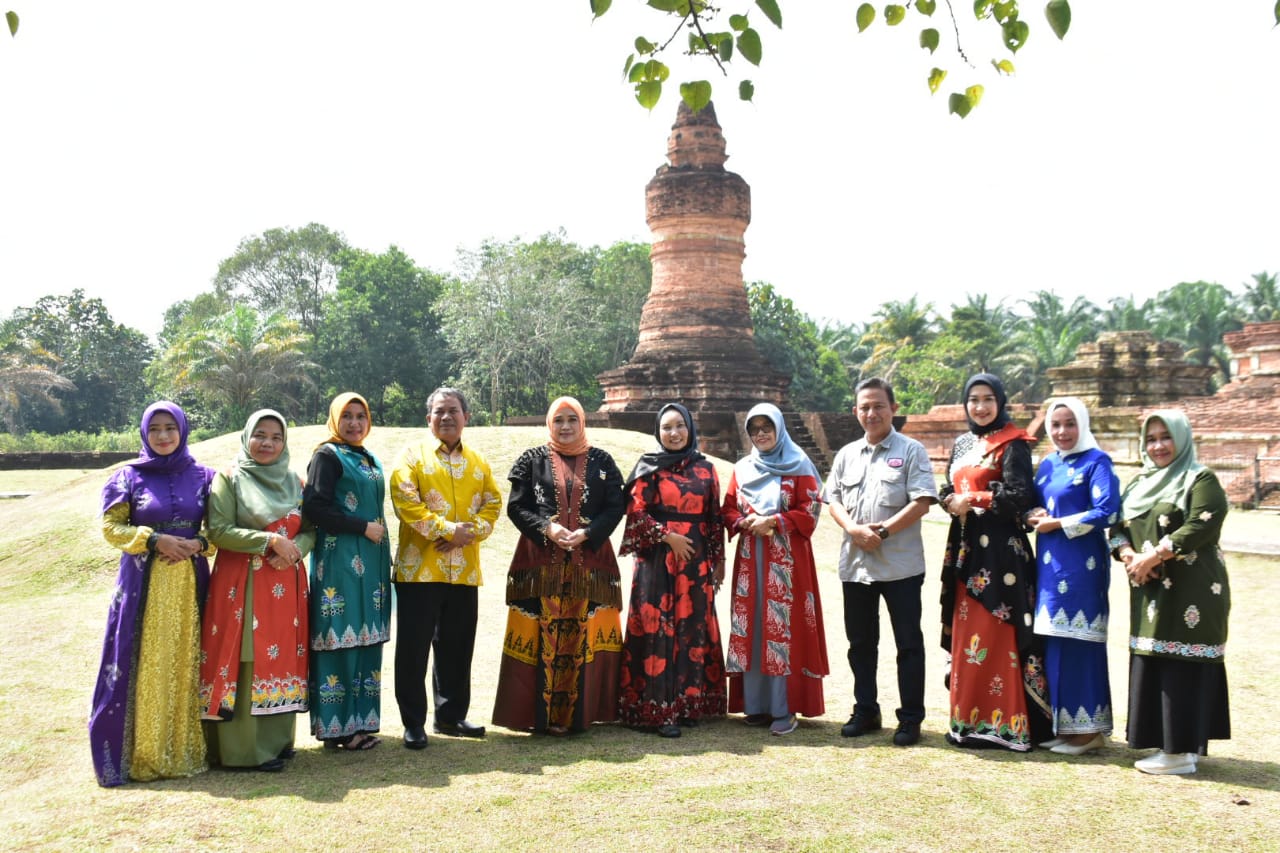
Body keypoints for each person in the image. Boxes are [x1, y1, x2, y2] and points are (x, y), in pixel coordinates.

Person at [89, 401, 216, 786]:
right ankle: (141, 753)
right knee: (145, 663)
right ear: (144, 432)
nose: (163, 436)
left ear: (182, 431)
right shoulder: (127, 477)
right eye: (155, 429)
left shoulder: (205, 476)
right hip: (143, 586)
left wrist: (199, 544)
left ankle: (187, 749)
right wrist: (156, 539)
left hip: (191, 585)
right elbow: (111, 529)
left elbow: (218, 530)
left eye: (170, 428)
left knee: (188, 659)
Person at [492, 396, 625, 735]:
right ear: (550, 424)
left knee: (586, 634)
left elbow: (615, 507)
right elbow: (517, 507)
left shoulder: (602, 461)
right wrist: (547, 528)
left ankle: (580, 717)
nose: (566, 427)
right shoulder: (532, 460)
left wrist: (588, 532)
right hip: (541, 564)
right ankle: (537, 717)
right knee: (538, 634)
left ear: (582, 423)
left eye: (572, 420)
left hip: (589, 564)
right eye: (559, 420)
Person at [1113, 410, 1231, 775]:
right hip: (1149, 590)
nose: (1158, 445)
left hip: (1192, 590)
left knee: (1183, 662)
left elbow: (1202, 522)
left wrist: (1154, 555)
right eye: (1151, 439)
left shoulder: (1200, 478)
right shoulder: (1138, 484)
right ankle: (1169, 746)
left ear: (1181, 438)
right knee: (1157, 658)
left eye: (1166, 437)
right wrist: (1129, 554)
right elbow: (1117, 528)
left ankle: (1180, 753)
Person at [939, 373, 1051, 751]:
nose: (981, 406)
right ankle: (967, 721)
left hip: (1001, 554)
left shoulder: (1014, 444)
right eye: (973, 399)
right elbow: (947, 488)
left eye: (988, 399)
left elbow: (1021, 495)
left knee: (996, 632)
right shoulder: (962, 443)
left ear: (1000, 402)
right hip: (966, 549)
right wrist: (951, 502)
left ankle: (1007, 726)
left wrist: (975, 501)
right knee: (967, 634)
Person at [825, 378, 937, 747]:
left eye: (878, 406)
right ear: (855, 411)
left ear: (892, 408)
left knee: (908, 644)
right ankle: (866, 710)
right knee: (860, 644)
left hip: (900, 566)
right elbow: (833, 501)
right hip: (856, 566)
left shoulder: (911, 451)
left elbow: (922, 501)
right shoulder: (846, 454)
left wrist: (882, 532)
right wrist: (855, 530)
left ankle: (910, 719)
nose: (871, 413)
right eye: (864, 407)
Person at [200, 409, 314, 772]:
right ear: (247, 437)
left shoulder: (296, 482)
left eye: (276, 437)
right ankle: (243, 751)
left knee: (281, 656)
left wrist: (296, 550)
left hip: (287, 582)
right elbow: (218, 530)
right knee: (248, 655)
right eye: (260, 435)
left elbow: (311, 528)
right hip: (243, 583)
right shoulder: (229, 478)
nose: (268, 443)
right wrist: (270, 542)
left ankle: (278, 742)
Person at [390, 387, 502, 749]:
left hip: (464, 571)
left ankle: (451, 716)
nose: (447, 418)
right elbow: (406, 504)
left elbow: (493, 503)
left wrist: (468, 536)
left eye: (453, 411)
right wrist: (449, 531)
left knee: (457, 646)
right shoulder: (411, 457)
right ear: (428, 419)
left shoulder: (479, 462)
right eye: (439, 412)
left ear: (466, 417)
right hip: (419, 571)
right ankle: (413, 723)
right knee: (414, 648)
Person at [618, 403, 728, 738]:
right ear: (658, 432)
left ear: (690, 429)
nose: (674, 433)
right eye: (667, 428)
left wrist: (718, 562)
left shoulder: (706, 470)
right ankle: (658, 711)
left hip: (695, 564)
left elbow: (714, 519)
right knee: (658, 628)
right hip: (657, 561)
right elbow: (636, 512)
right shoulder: (648, 469)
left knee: (692, 628)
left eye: (680, 426)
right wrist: (668, 537)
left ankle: (687, 705)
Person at [721, 403, 828, 736]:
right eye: (755, 429)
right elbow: (726, 509)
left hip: (788, 562)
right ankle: (755, 705)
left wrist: (776, 521)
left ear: (779, 429)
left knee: (783, 628)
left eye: (767, 427)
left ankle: (784, 707)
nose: (761, 434)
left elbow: (810, 509)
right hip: (751, 558)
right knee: (753, 626)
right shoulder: (742, 468)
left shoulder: (798, 465)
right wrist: (744, 521)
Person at [1025, 397, 1120, 756]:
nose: (1062, 431)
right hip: (1049, 568)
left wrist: (1059, 523)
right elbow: (1034, 503)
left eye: (1070, 424)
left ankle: (1089, 731)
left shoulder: (1098, 462)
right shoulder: (1048, 465)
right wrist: (1033, 513)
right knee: (1055, 645)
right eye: (1056, 424)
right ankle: (1066, 728)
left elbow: (1107, 510)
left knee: (1080, 644)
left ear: (1082, 425)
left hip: (1082, 569)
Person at [301, 392, 392, 751]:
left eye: (361, 416)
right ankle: (336, 728)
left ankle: (359, 723)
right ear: (335, 419)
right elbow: (316, 508)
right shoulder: (327, 455)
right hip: (339, 564)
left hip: (370, 565)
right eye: (347, 416)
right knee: (340, 636)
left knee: (366, 638)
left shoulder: (365, 456)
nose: (355, 423)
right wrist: (361, 527)